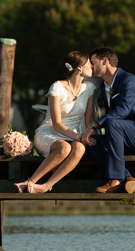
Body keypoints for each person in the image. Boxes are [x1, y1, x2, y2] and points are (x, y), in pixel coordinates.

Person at [80, 47, 135, 193]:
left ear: (105, 61)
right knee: (89, 142)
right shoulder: (105, 86)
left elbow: (123, 110)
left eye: (93, 62)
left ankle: (115, 179)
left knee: (113, 123)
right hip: (121, 138)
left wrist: (95, 125)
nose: (91, 67)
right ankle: (127, 177)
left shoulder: (129, 80)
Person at [16, 51, 97, 194]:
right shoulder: (57, 87)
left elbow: (89, 120)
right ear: (79, 67)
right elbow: (57, 124)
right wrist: (77, 137)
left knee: (80, 148)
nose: (92, 66)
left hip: (72, 136)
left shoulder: (89, 88)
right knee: (64, 148)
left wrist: (90, 131)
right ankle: (30, 181)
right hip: (49, 133)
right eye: (89, 63)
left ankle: (45, 186)